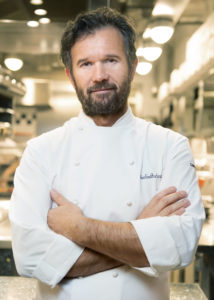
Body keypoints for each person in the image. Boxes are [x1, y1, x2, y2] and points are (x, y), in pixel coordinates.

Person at [9, 7, 205, 300]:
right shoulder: (41, 152)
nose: (99, 75)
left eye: (110, 60)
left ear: (133, 66)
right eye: (86, 64)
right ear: (70, 74)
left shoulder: (169, 146)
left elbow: (181, 245)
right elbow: (30, 257)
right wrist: (142, 235)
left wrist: (81, 229)